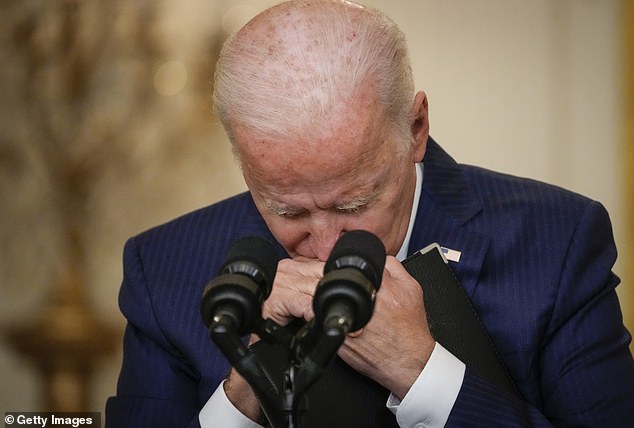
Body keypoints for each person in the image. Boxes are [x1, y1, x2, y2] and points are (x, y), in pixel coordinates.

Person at [105, 1, 634, 427]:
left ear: (416, 128)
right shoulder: (163, 267)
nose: (328, 245)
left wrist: (424, 375)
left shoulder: (558, 242)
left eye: (355, 204)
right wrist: (242, 397)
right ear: (244, 163)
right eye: (286, 208)